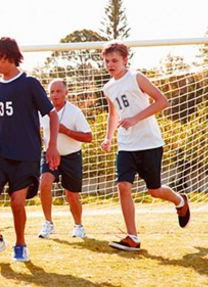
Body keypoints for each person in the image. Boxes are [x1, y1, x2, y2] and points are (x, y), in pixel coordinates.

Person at [100, 40, 190, 251]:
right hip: (126, 145)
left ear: (125, 60)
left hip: (149, 142)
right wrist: (108, 137)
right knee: (123, 185)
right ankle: (132, 237)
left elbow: (162, 101)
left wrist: (135, 119)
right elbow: (113, 114)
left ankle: (180, 201)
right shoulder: (108, 87)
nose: (110, 64)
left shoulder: (136, 77)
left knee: (155, 190)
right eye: (106, 61)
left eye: (114, 60)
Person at [0, 37, 60, 262]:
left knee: (16, 202)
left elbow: (52, 114)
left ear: (12, 58)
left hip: (27, 155)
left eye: (0, 58)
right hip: (1, 153)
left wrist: (52, 145)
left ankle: (20, 245)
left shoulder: (29, 83)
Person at [38, 79, 92, 239]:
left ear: (66, 93)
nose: (55, 95)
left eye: (58, 91)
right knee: (44, 182)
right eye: (52, 91)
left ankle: (78, 225)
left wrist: (66, 131)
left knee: (71, 195)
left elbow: (89, 137)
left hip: (71, 157)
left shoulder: (75, 112)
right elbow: (38, 131)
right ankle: (48, 223)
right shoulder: (43, 112)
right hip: (50, 155)